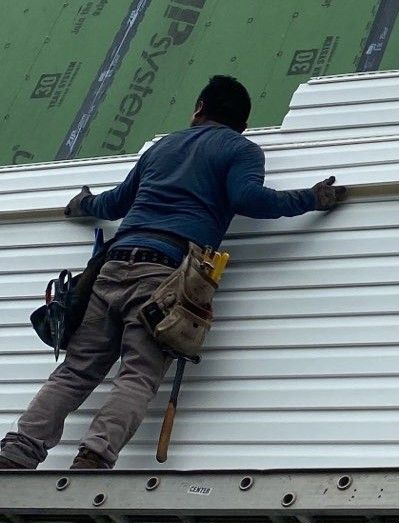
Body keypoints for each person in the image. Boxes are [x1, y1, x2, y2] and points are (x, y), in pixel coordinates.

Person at [0, 75, 346, 472]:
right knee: (139, 374)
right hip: (165, 276)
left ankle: (17, 451)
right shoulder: (241, 149)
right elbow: (248, 198)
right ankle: (93, 459)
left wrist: (83, 204)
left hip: (112, 267)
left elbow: (116, 203)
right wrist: (311, 199)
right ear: (243, 124)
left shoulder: (162, 147)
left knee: (77, 370)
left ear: (199, 108)